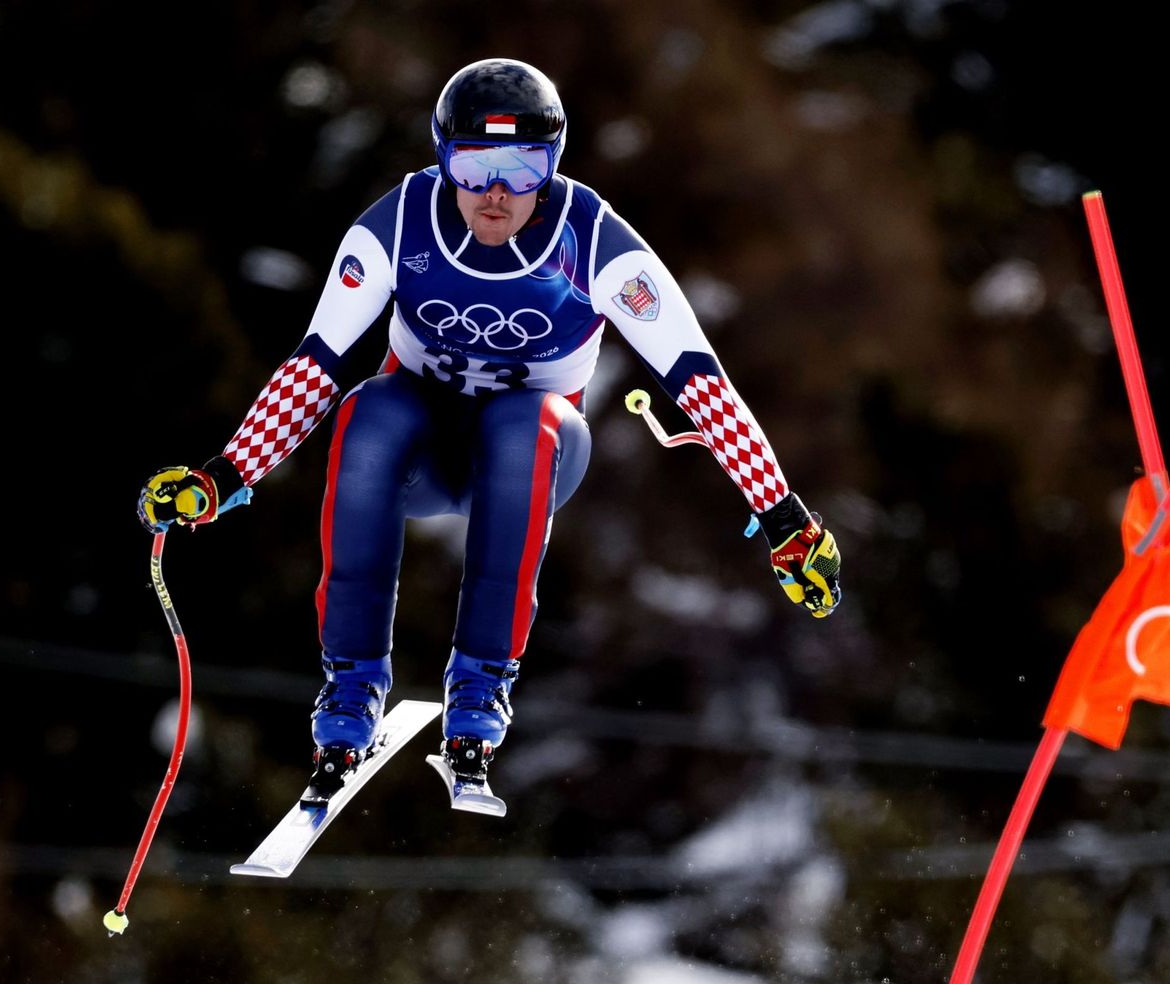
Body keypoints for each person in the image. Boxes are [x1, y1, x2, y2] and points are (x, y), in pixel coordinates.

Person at [138, 58, 841, 805]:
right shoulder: (399, 223)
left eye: (522, 167)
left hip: (531, 460)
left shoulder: (594, 240)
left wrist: (783, 518)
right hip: (419, 459)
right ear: (444, 159)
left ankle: (479, 695)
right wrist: (224, 475)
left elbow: (699, 380)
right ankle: (349, 696)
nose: (497, 194)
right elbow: (315, 365)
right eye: (474, 169)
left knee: (520, 419)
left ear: (553, 164)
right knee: (369, 409)